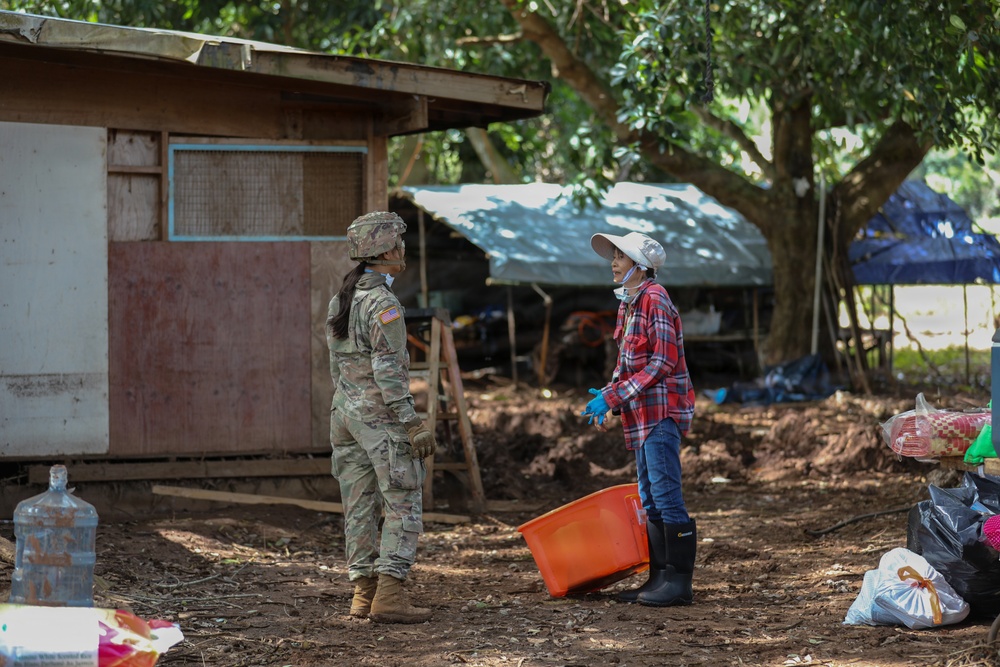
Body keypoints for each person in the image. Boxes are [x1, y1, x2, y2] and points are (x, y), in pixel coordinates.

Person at [326, 210, 437, 624]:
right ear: (388, 249)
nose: (403, 248)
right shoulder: (384, 303)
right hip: (381, 421)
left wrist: (347, 407)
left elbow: (337, 367)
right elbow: (390, 374)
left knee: (357, 505)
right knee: (404, 500)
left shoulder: (342, 298)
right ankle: (389, 594)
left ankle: (362, 594)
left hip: (345, 416)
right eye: (400, 242)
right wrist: (412, 423)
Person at [581, 231, 697, 607]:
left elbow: (662, 361)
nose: (613, 261)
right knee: (650, 499)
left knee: (666, 497)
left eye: (620, 256)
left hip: (660, 413)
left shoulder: (655, 299)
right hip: (640, 415)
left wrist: (614, 396)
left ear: (640, 265)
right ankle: (659, 579)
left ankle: (679, 585)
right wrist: (608, 394)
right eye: (613, 255)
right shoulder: (629, 304)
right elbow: (627, 363)